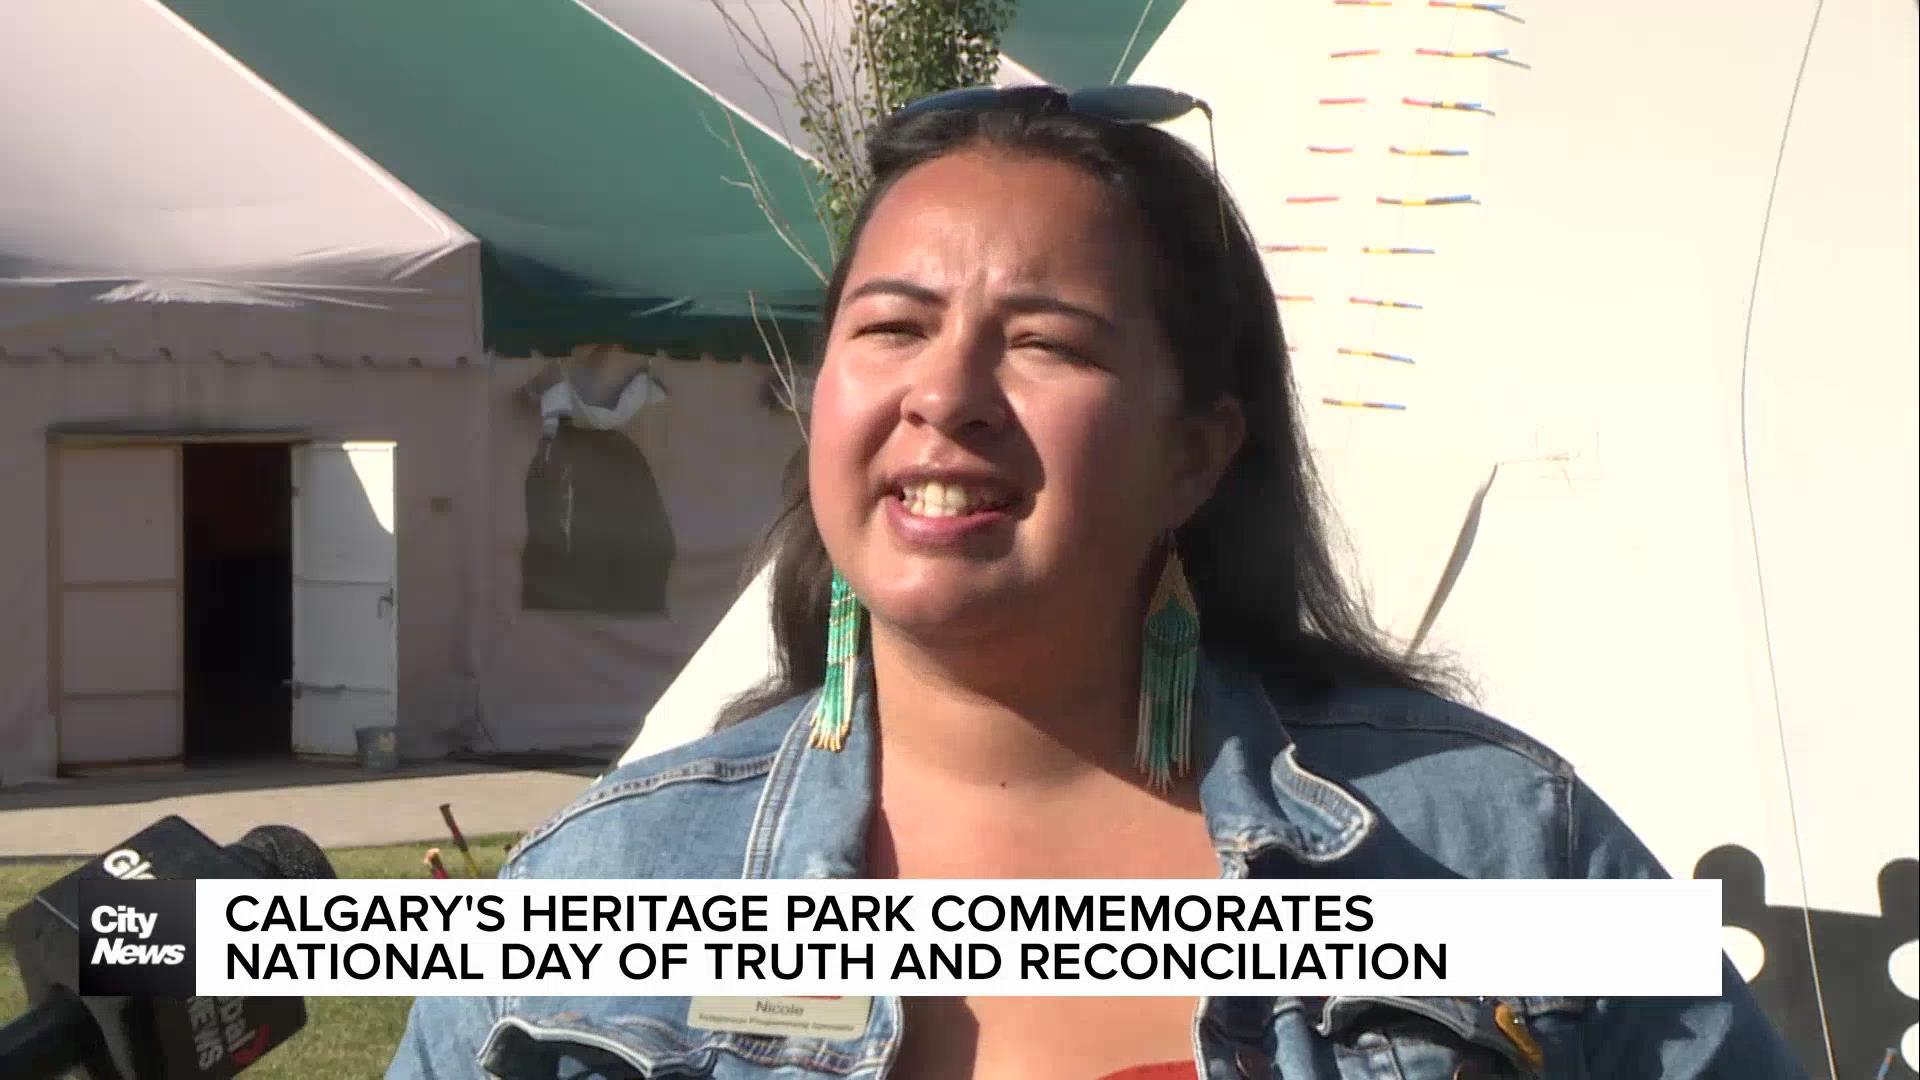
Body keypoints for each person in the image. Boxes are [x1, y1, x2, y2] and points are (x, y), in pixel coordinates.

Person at [388, 85, 1805, 1079]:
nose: (945, 393)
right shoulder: (603, 888)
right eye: (891, 326)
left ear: (1196, 453)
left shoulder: (1493, 845)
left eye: (1045, 342)